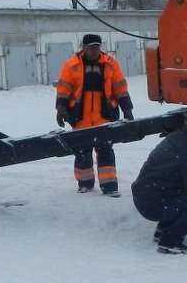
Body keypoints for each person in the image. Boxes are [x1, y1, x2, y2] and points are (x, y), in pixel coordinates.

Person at [131, 108, 187, 254]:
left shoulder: (180, 137)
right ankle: (169, 241)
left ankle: (163, 231)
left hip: (146, 197)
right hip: (153, 203)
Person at [55, 33, 133, 196]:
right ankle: (85, 184)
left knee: (105, 151)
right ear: (83, 48)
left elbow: (120, 87)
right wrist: (61, 109)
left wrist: (127, 109)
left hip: (104, 116)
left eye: (97, 47)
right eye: (91, 47)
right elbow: (64, 89)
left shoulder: (111, 64)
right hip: (79, 116)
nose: (94, 50)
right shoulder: (71, 65)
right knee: (82, 152)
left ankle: (110, 186)